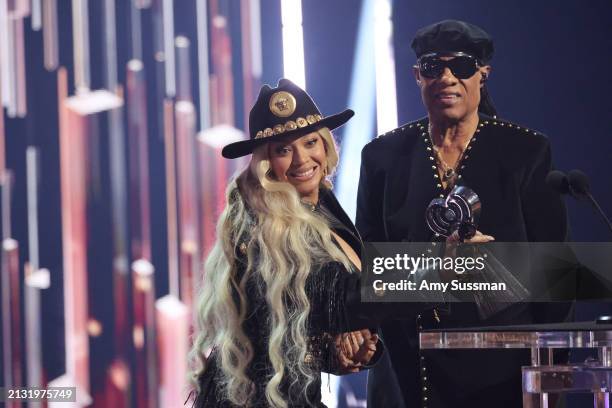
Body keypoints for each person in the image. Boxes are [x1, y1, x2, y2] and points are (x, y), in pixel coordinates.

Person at [357, 20, 573, 407]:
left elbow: (557, 272)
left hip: (502, 369)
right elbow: (367, 267)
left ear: (482, 75)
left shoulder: (525, 151)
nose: (446, 78)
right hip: (410, 367)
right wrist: (437, 266)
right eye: (432, 67)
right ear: (417, 77)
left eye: (461, 67)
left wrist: (551, 370)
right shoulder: (382, 157)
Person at [188, 79, 383, 408]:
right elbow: (335, 294)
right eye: (283, 149)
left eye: (310, 142)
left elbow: (297, 323)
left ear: (325, 145)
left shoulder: (319, 205)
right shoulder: (261, 225)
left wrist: (335, 352)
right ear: (266, 163)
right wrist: (449, 266)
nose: (301, 159)